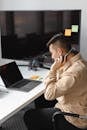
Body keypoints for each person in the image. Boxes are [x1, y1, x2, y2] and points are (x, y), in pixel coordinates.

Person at [23, 33, 87, 130]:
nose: (52, 57)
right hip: (77, 104)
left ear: (60, 52)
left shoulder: (74, 72)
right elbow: (60, 81)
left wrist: (53, 69)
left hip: (74, 117)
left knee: (29, 115)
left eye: (52, 53)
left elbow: (49, 95)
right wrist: (59, 67)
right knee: (40, 99)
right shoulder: (79, 62)